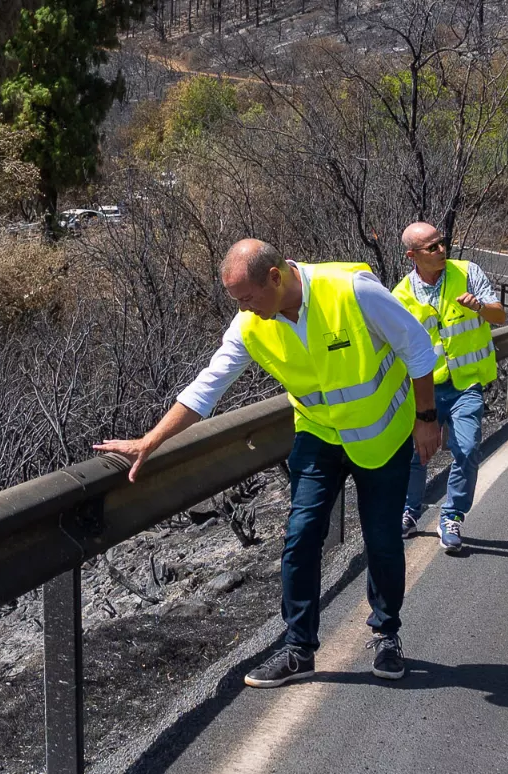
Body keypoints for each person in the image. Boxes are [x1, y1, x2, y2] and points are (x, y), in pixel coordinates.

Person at [94, 239, 442, 687]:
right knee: (299, 538)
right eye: (237, 300)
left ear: (275, 277)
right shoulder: (249, 326)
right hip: (319, 436)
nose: (243, 308)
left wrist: (427, 418)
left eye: (247, 297)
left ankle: (387, 636)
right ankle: (299, 649)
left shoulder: (350, 290)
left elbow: (416, 346)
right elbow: (208, 387)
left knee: (382, 541)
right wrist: (151, 440)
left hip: (382, 435)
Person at [391, 222, 507, 552]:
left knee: (467, 450)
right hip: (424, 388)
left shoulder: (467, 272)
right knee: (417, 454)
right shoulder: (400, 296)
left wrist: (479, 307)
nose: (441, 250)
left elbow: (500, 316)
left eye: (442, 243)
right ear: (413, 255)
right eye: (432, 247)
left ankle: (452, 515)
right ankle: (409, 511)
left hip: (466, 384)